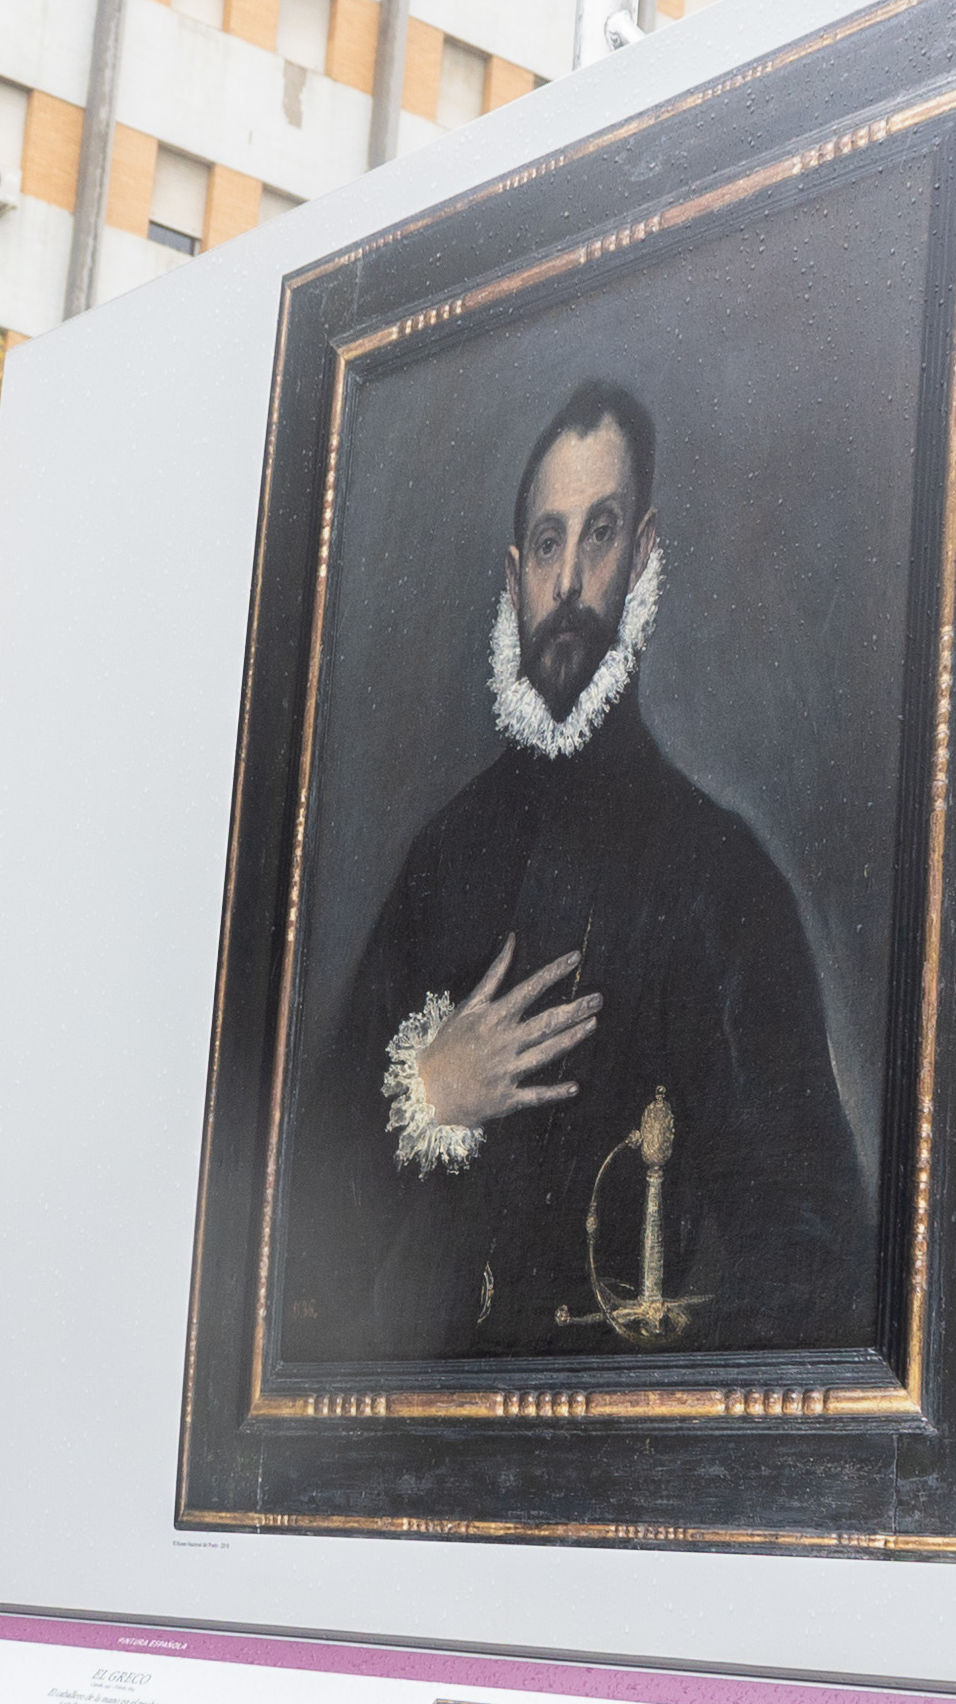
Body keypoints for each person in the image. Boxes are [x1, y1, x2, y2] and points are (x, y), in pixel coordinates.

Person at [284, 380, 871, 1362]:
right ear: (516, 575)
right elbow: (296, 1244)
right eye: (547, 544)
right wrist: (427, 1087)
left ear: (643, 554)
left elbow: (817, 1263)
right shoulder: (443, 856)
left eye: (598, 535)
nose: (566, 587)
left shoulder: (724, 881)